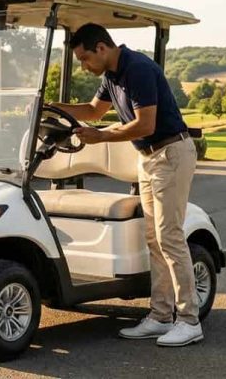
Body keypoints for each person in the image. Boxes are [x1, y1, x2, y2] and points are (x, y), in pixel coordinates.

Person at [49, 23, 202, 347]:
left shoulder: (138, 69)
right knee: (154, 239)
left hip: (170, 153)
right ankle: (161, 317)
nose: (84, 66)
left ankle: (189, 320)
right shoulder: (111, 76)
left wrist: (102, 135)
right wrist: (51, 107)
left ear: (101, 48)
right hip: (148, 158)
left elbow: (144, 123)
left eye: (84, 58)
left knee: (170, 237)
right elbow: (93, 110)